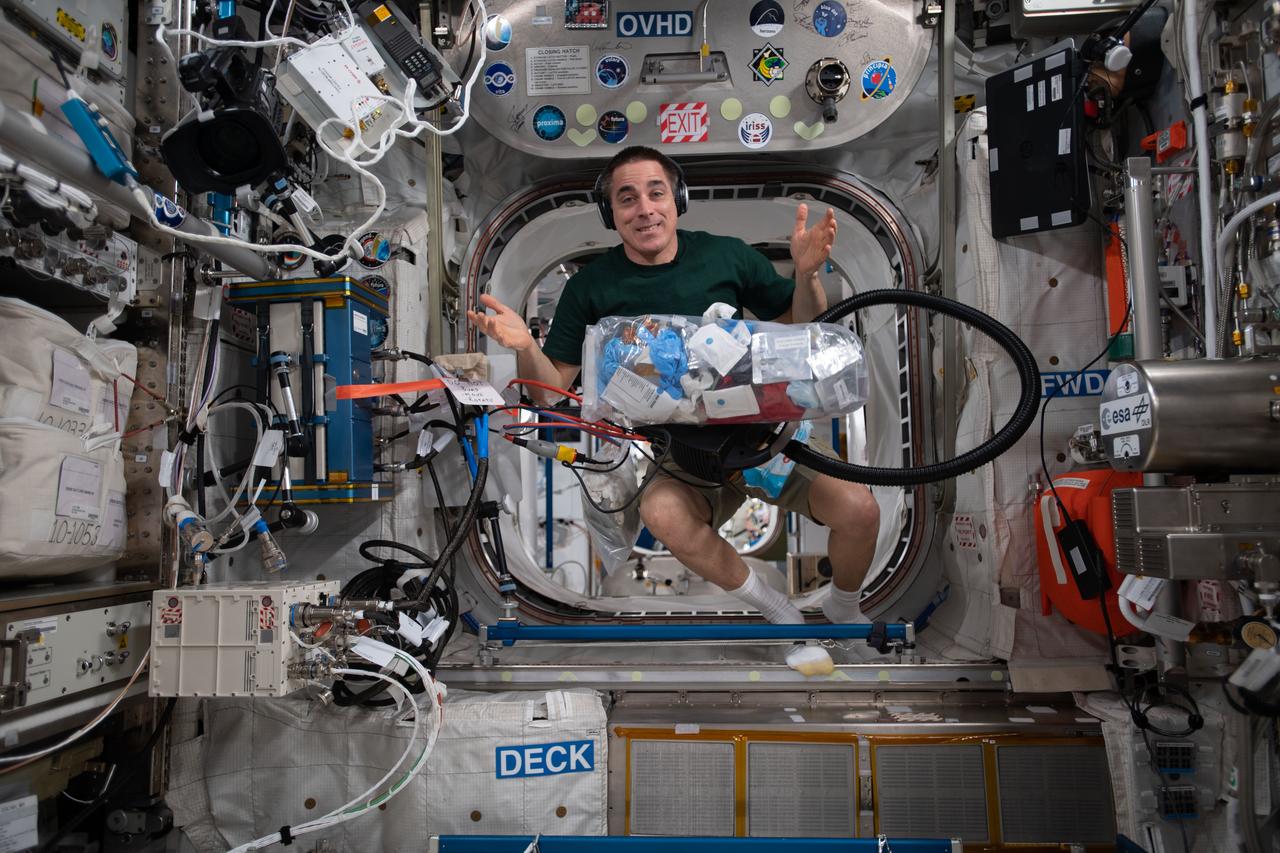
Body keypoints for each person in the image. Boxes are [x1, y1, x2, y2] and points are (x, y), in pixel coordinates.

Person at [467, 146, 880, 658]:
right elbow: (545, 389)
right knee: (661, 513)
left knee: (860, 510)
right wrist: (526, 346)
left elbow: (803, 330)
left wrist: (807, 275)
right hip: (681, 454)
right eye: (627, 199)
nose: (644, 209)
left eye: (655, 193)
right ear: (611, 215)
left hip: (768, 436)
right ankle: (779, 612)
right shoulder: (592, 288)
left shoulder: (726, 256)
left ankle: (843, 606)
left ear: (677, 199)